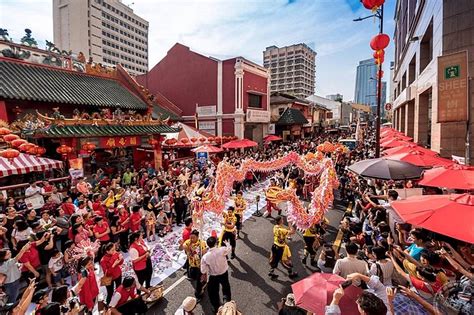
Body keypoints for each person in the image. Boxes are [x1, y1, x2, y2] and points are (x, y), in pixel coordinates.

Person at [200, 236, 232, 313]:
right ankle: (227, 301)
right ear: (216, 243)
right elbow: (229, 249)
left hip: (213, 276)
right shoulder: (222, 250)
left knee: (213, 291)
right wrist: (227, 244)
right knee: (226, 286)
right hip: (223, 273)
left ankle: (216, 306)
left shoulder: (205, 257)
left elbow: (203, 270)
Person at [182, 230, 207, 300]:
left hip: (199, 265)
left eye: (193, 238)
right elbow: (183, 246)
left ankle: (199, 292)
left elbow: (204, 254)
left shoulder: (202, 243)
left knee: (199, 281)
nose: (192, 239)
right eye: (191, 237)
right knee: (193, 276)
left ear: (198, 237)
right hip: (192, 264)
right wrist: (186, 248)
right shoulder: (188, 242)